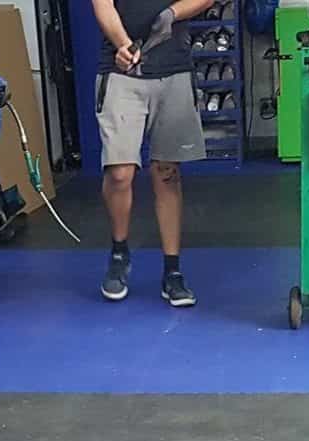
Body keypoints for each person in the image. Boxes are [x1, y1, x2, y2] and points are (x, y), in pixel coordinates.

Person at [91, 0, 218, 305]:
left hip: (173, 67)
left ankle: (172, 271)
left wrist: (172, 13)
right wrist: (122, 45)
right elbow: (103, 5)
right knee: (119, 172)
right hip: (121, 70)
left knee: (167, 172)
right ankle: (119, 252)